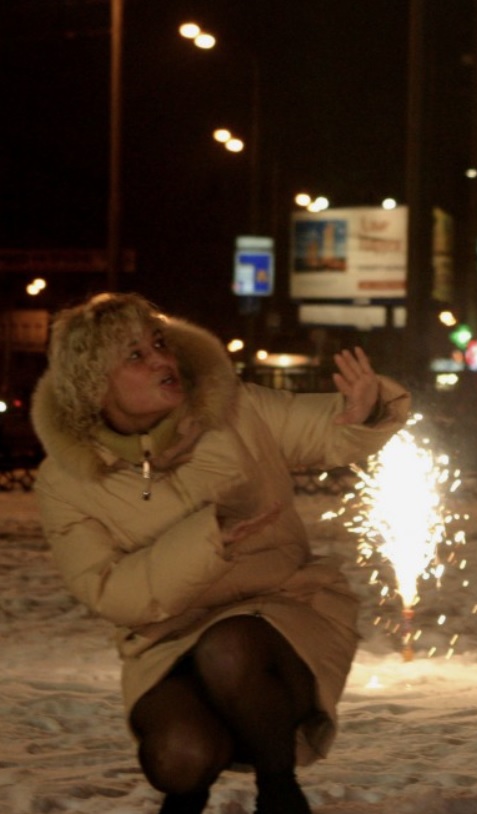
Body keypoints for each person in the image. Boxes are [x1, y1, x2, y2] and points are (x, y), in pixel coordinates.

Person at [30, 292, 411, 814]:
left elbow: (328, 430)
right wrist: (207, 542)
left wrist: (365, 410)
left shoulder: (235, 409)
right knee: (179, 756)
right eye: (136, 355)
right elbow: (109, 591)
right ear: (95, 384)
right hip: (167, 641)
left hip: (284, 613)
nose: (162, 359)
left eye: (158, 343)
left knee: (229, 648)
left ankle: (279, 792)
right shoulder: (65, 480)